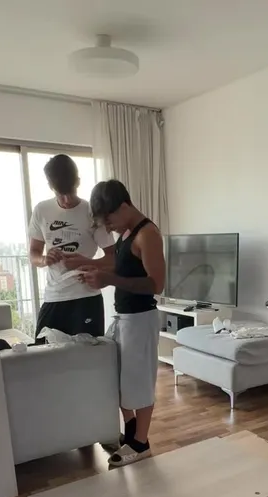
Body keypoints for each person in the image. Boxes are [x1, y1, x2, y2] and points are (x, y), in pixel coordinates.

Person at [64, 179, 165, 467]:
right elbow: (118, 266)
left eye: (109, 221)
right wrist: (88, 264)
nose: (108, 228)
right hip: (125, 318)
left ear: (123, 207)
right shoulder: (127, 233)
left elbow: (156, 284)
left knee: (140, 384)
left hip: (141, 319)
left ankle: (141, 444)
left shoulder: (148, 234)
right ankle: (131, 432)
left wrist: (108, 279)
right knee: (121, 380)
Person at [27, 155, 115, 338]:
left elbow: (113, 257)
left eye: (71, 192)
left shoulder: (91, 212)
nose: (67, 200)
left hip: (86, 297)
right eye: (61, 194)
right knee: (41, 351)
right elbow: (33, 254)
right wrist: (44, 259)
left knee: (88, 354)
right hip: (54, 296)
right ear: (51, 187)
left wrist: (87, 263)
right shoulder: (41, 210)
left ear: (78, 182)